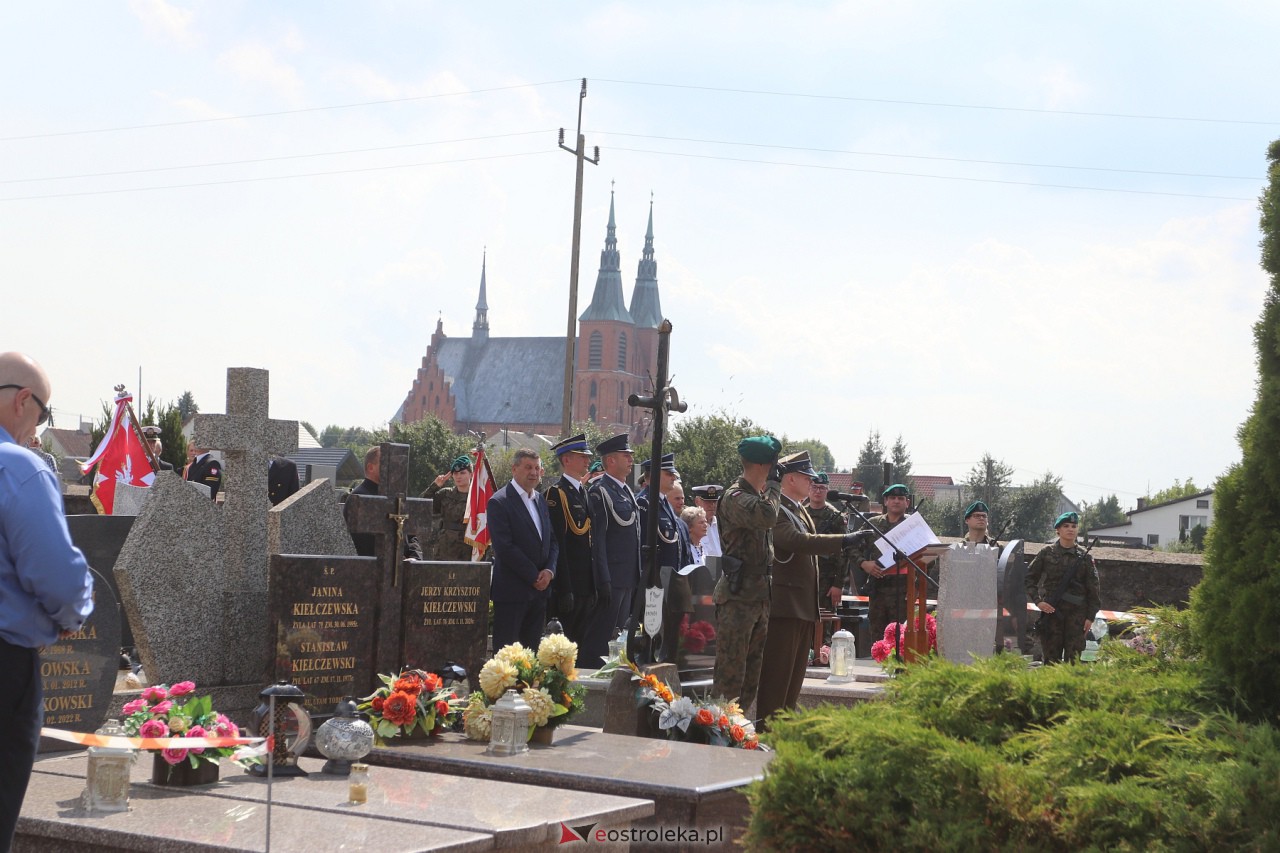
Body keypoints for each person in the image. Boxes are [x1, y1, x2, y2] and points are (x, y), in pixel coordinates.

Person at [0, 352, 95, 850]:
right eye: (43, 413)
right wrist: (72, 615)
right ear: (22, 402)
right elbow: (56, 577)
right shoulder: (19, 468)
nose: (39, 425)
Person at [758, 451, 869, 727]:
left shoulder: (797, 508)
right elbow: (796, 541)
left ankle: (782, 732)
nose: (811, 481)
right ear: (790, 478)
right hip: (784, 605)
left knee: (793, 680)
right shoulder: (775, 508)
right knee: (777, 679)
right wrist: (844, 540)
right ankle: (768, 732)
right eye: (806, 476)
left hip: (802, 606)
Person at [712, 434, 782, 715]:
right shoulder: (736, 497)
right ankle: (717, 734)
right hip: (737, 598)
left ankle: (738, 731)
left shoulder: (758, 497)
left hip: (759, 597)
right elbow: (767, 517)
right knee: (730, 677)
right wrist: (776, 486)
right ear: (764, 465)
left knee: (751, 678)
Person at [487, 448, 558, 649]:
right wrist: (534, 576)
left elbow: (552, 541)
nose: (534, 472)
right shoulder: (499, 502)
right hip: (512, 593)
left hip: (539, 594)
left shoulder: (540, 500)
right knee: (507, 659)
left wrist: (549, 572)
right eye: (528, 467)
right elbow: (504, 547)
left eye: (537, 468)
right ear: (514, 469)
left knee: (531, 659)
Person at [545, 434, 608, 660]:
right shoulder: (557, 494)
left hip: (586, 584)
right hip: (570, 584)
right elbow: (559, 544)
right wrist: (565, 588)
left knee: (579, 646)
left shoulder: (583, 492)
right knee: (563, 648)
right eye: (582, 457)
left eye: (587, 457)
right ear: (567, 460)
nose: (587, 461)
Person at [586, 433, 642, 656]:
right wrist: (604, 579)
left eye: (630, 455)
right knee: (602, 636)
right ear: (611, 461)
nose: (630, 459)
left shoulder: (625, 490)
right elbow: (598, 541)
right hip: (611, 577)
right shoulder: (600, 491)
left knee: (619, 638)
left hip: (627, 576)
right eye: (625, 455)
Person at [638, 454, 694, 662]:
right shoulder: (645, 504)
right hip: (653, 585)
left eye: (673, 474)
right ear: (652, 477)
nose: (673, 477)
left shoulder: (665, 505)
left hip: (670, 585)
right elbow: (644, 547)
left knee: (666, 646)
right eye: (668, 473)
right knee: (651, 644)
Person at [1025, 511, 1100, 664]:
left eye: (1074, 526)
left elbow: (1094, 589)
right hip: (1052, 615)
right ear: (1058, 530)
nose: (1070, 529)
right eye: (1066, 526)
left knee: (1074, 663)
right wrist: (1038, 601)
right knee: (1051, 662)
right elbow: (1029, 578)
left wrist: (1090, 617)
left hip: (1077, 617)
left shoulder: (1085, 557)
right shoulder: (1046, 553)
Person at [856, 483, 913, 641]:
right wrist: (863, 564)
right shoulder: (872, 524)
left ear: (907, 503)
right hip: (878, 590)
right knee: (879, 639)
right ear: (885, 501)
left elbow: (928, 558)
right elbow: (852, 547)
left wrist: (917, 586)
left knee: (902, 640)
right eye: (892, 498)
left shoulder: (913, 526)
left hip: (904, 592)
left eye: (901, 498)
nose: (896, 501)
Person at [346, 445, 424, 559]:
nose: (393, 468)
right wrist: (396, 559)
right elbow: (364, 543)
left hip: (404, 568)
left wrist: (415, 558)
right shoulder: (359, 498)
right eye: (387, 463)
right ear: (371, 467)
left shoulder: (396, 496)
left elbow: (410, 534)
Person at [805, 472, 849, 611]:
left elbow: (844, 552)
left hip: (827, 579)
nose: (817, 491)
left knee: (825, 627)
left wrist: (838, 584)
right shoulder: (800, 513)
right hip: (803, 576)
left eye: (822, 488)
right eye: (814, 487)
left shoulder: (836, 516)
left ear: (827, 490)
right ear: (808, 488)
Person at [422, 455, 473, 560]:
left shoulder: (477, 498)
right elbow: (422, 505)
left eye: (462, 473)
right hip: (445, 548)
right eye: (455, 473)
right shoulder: (445, 494)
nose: (458, 476)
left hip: (467, 549)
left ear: (471, 474)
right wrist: (435, 486)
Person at [692, 484, 723, 558]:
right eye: (707, 501)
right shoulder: (692, 526)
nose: (712, 505)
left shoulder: (722, 525)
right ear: (697, 501)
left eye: (715, 501)